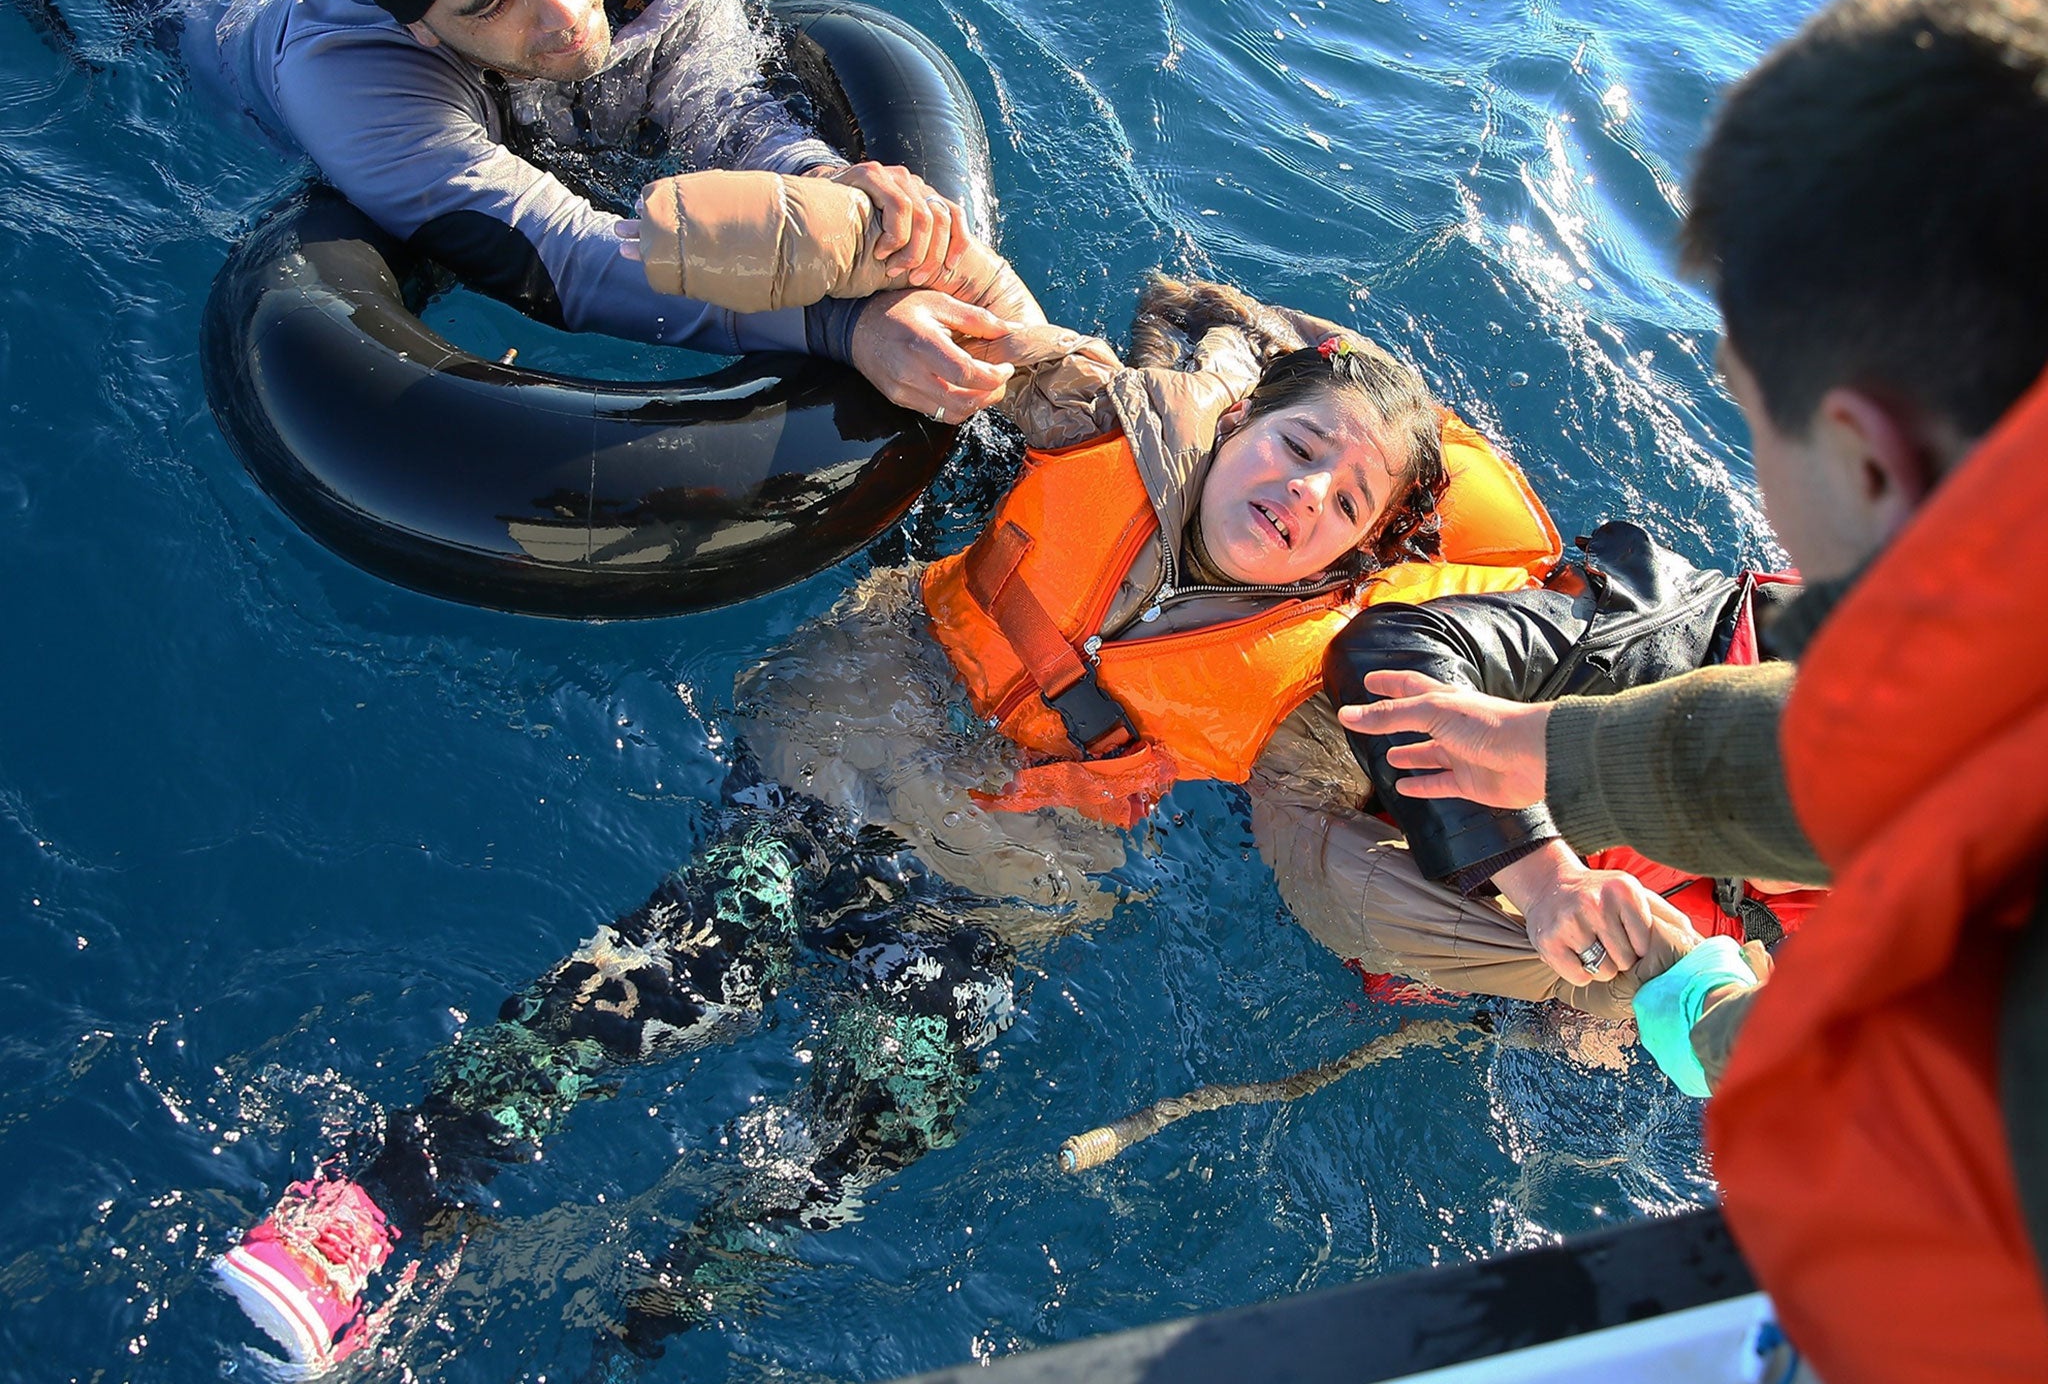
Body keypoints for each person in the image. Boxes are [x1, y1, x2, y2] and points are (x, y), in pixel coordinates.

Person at [210, 179, 1560, 1369]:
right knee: (711, 951)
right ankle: (384, 1194)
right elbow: (971, 328)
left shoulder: (1311, 689)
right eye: (1299, 447)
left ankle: (684, 1287)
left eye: (1347, 500)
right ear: (1243, 424)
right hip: (853, 744)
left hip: (999, 875)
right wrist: (882, 280)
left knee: (894, 1103)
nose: (1302, 493)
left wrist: (1526, 961)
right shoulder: (1105, 415)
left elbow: (1368, 847)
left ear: (1359, 557)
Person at [1339, 0, 2048, 1383]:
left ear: (1862, 460)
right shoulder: (1685, 643)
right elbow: (1400, 644)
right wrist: (1556, 806)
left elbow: (1922, 1199)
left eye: (1748, 409)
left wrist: (1689, 997)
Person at [177, 0, 1012, 422]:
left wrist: (831, 182)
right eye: (492, 1)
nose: (564, 11)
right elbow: (566, 254)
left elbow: (724, 108)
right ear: (424, 31)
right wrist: (839, 328)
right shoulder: (349, 80)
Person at [1249, 523, 1821, 1018]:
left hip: (1470, 951)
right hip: (1340, 776)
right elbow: (1383, 653)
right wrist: (1549, 881)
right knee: (1630, 982)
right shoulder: (1641, 639)